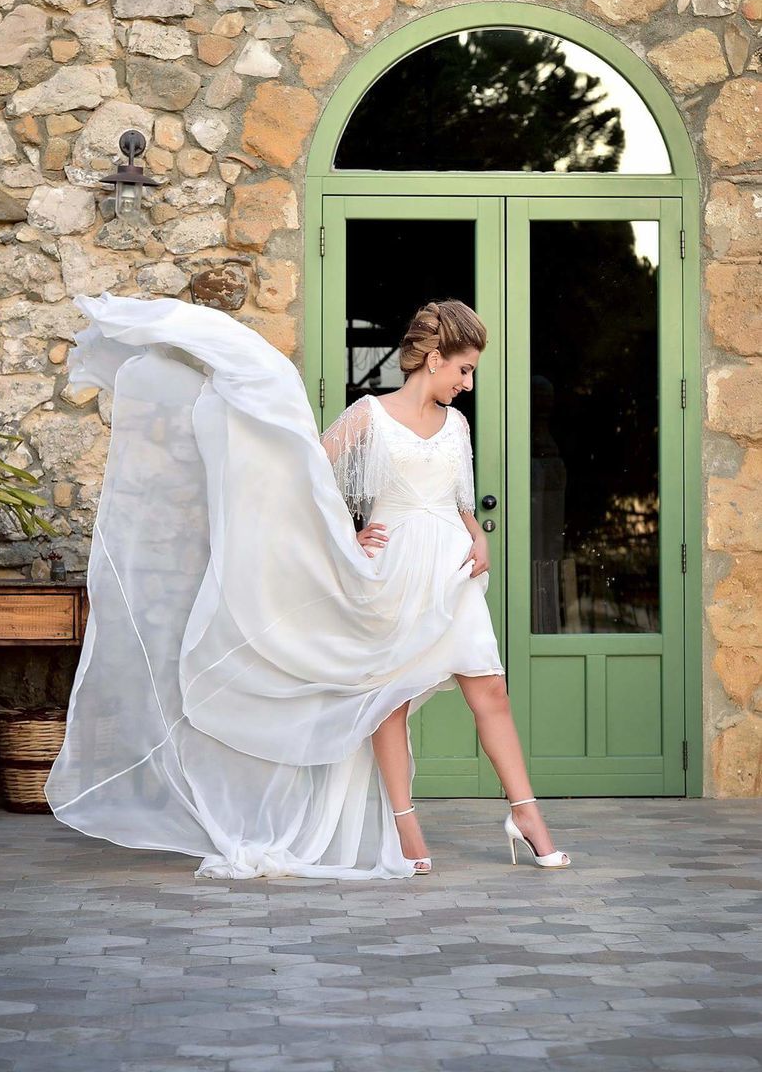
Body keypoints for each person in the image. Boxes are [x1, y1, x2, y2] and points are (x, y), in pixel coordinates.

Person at [45, 290, 570, 878]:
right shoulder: (368, 416)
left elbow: (460, 499)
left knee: (489, 691)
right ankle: (406, 828)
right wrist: (349, 540)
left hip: (451, 573)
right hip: (391, 574)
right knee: (387, 702)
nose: (468, 382)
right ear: (433, 358)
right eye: (465, 368)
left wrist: (479, 535)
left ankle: (527, 815)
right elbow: (307, 484)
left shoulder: (456, 425)